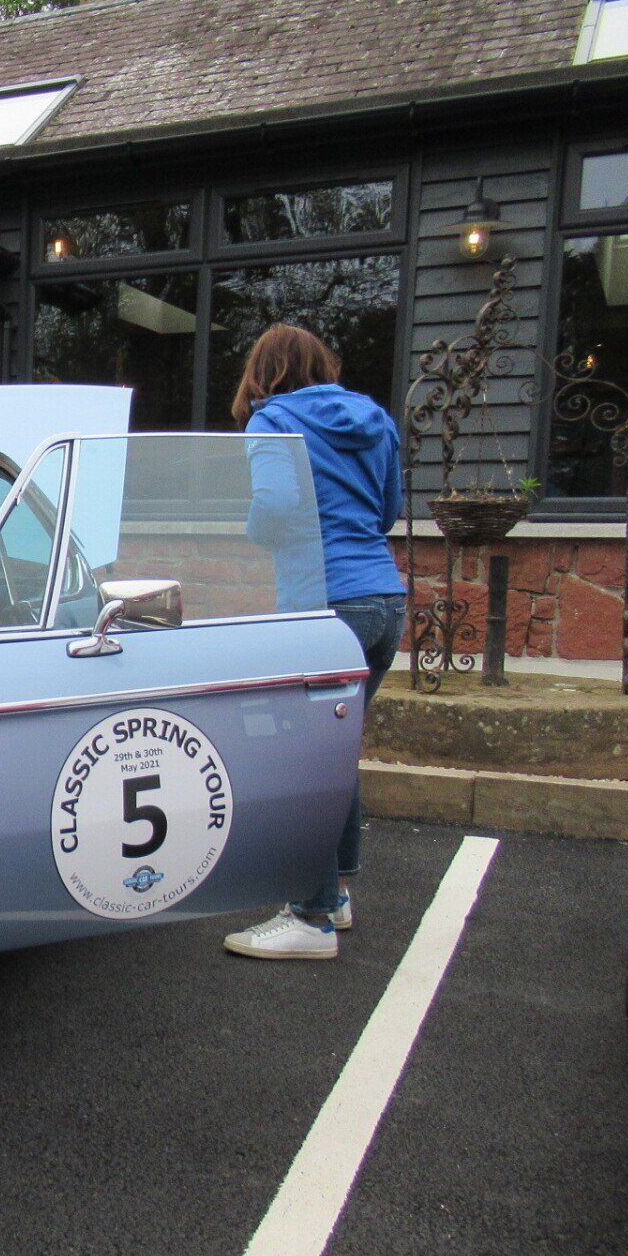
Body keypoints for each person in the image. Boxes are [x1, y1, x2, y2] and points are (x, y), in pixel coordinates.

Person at [223, 324, 405, 962]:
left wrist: (253, 530)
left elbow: (274, 507)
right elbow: (388, 510)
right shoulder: (375, 420)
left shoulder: (271, 422)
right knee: (337, 750)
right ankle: (337, 894)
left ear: (261, 372)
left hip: (324, 605)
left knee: (306, 760)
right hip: (385, 600)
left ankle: (311, 917)